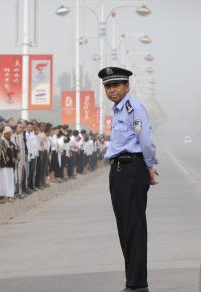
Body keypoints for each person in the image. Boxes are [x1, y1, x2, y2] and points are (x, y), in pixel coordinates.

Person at [99, 66, 158, 292]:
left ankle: (137, 284)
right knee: (124, 227)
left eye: (116, 85)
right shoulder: (117, 111)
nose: (112, 90)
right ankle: (132, 281)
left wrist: (150, 166)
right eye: (108, 86)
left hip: (132, 167)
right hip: (119, 170)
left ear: (126, 86)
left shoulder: (134, 108)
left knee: (134, 227)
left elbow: (145, 140)